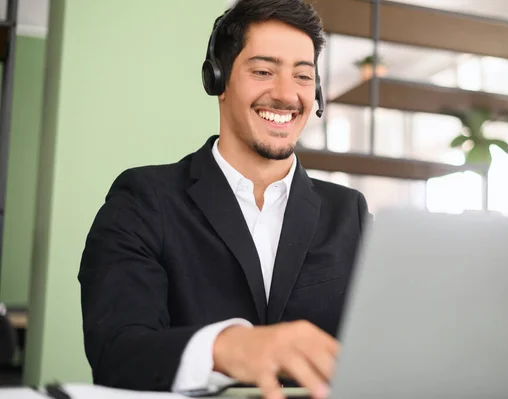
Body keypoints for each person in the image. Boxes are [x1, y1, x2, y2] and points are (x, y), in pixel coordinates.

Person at [78, 1, 370, 398]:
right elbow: (116, 353)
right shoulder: (143, 200)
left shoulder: (349, 213)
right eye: (264, 71)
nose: (286, 95)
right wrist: (227, 347)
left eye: (303, 76)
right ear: (218, 79)